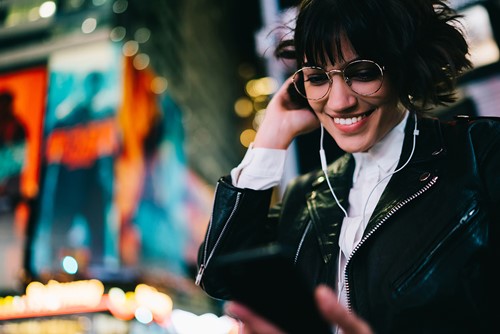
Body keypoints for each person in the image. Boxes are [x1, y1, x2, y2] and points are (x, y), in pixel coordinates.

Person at [196, 0, 500, 333]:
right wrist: (271, 134)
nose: (340, 101)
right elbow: (216, 275)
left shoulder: (480, 151)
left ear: (403, 64)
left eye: (364, 72)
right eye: (317, 77)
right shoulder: (304, 197)